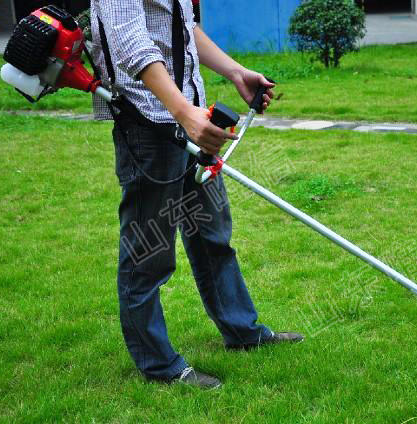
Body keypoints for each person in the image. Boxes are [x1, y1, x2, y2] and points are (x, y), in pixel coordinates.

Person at [90, 0, 303, 389]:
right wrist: (182, 113)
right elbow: (129, 41)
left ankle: (242, 331)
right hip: (149, 124)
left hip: (192, 120)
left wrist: (235, 71)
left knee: (212, 236)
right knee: (148, 255)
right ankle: (159, 366)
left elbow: (183, 27)